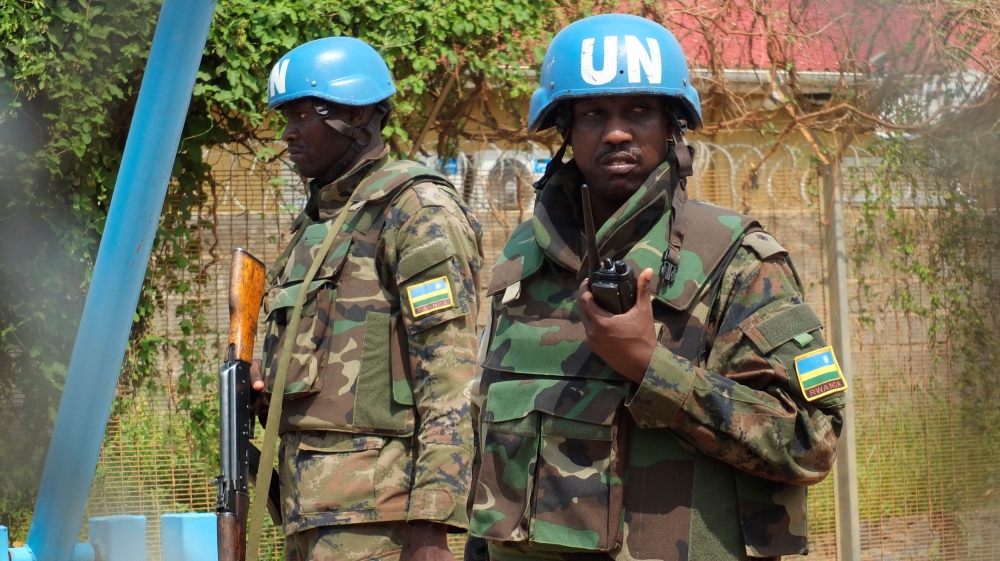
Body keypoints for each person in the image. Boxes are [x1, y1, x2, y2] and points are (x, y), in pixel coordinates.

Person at [466, 14, 846, 561]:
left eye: (639, 111)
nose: (616, 131)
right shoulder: (523, 257)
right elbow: (491, 434)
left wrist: (651, 366)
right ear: (565, 132)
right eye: (593, 113)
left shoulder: (737, 261)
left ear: (672, 125)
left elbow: (811, 442)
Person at [251, 36, 483, 561]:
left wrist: (432, 523)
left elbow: (451, 374)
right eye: (283, 116)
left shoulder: (416, 209)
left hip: (384, 521)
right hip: (311, 510)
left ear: (354, 115)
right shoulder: (318, 221)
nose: (287, 133)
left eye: (301, 114)